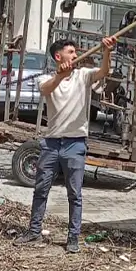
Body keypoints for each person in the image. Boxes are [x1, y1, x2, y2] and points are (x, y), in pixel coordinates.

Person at [13, 36, 116, 253]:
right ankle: (34, 232)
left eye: (76, 52)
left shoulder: (84, 76)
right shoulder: (46, 79)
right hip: (51, 144)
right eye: (71, 52)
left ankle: (73, 238)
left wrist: (107, 52)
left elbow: (103, 72)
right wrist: (61, 75)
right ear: (58, 57)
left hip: (75, 144)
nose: (76, 56)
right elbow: (47, 90)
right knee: (41, 189)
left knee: (74, 193)